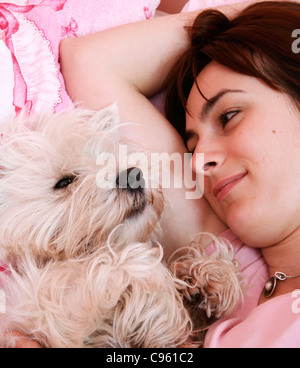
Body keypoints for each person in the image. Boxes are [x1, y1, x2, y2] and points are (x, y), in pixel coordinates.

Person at [59, 0, 300, 348]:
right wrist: (248, 17)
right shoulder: (229, 276)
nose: (199, 161)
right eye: (191, 146)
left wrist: (268, 26)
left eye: (229, 117)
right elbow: (89, 62)